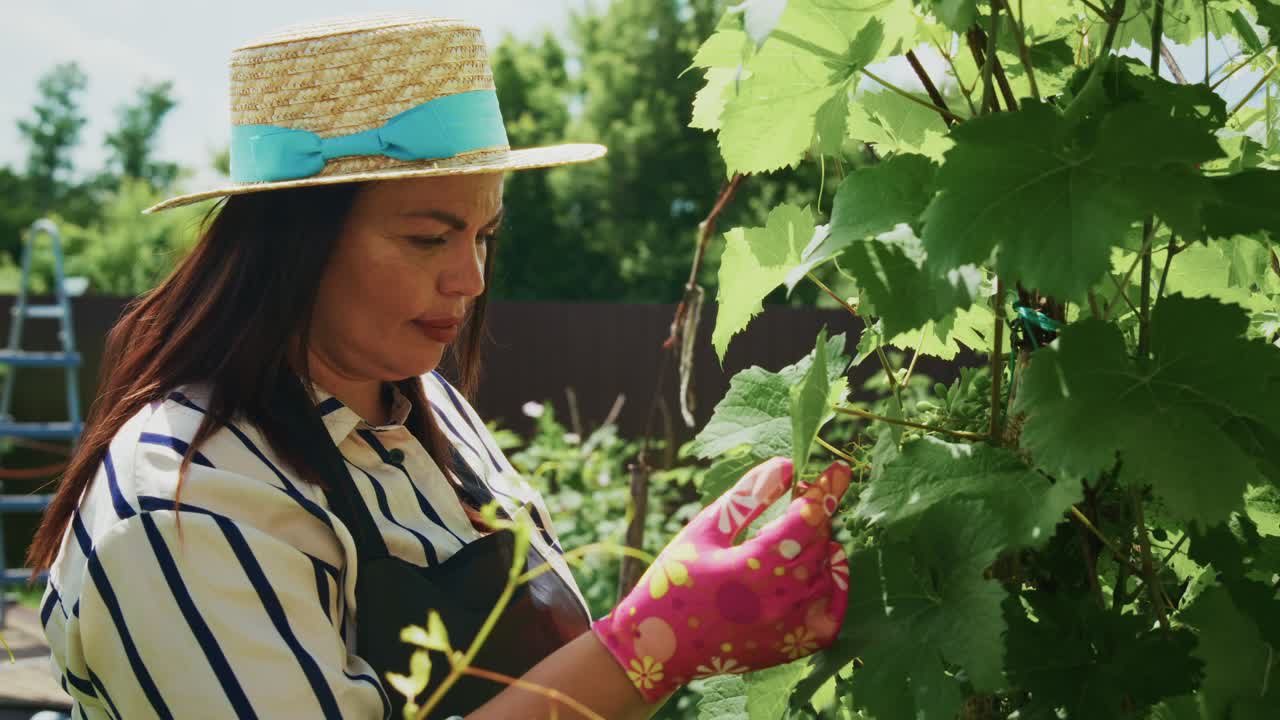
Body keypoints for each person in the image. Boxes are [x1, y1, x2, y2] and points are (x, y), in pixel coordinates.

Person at [27, 13, 851, 720]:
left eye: (483, 235)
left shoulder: (430, 410)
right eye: (428, 238)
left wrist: (686, 593)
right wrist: (654, 644)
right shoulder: (181, 503)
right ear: (292, 246)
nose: (472, 279)